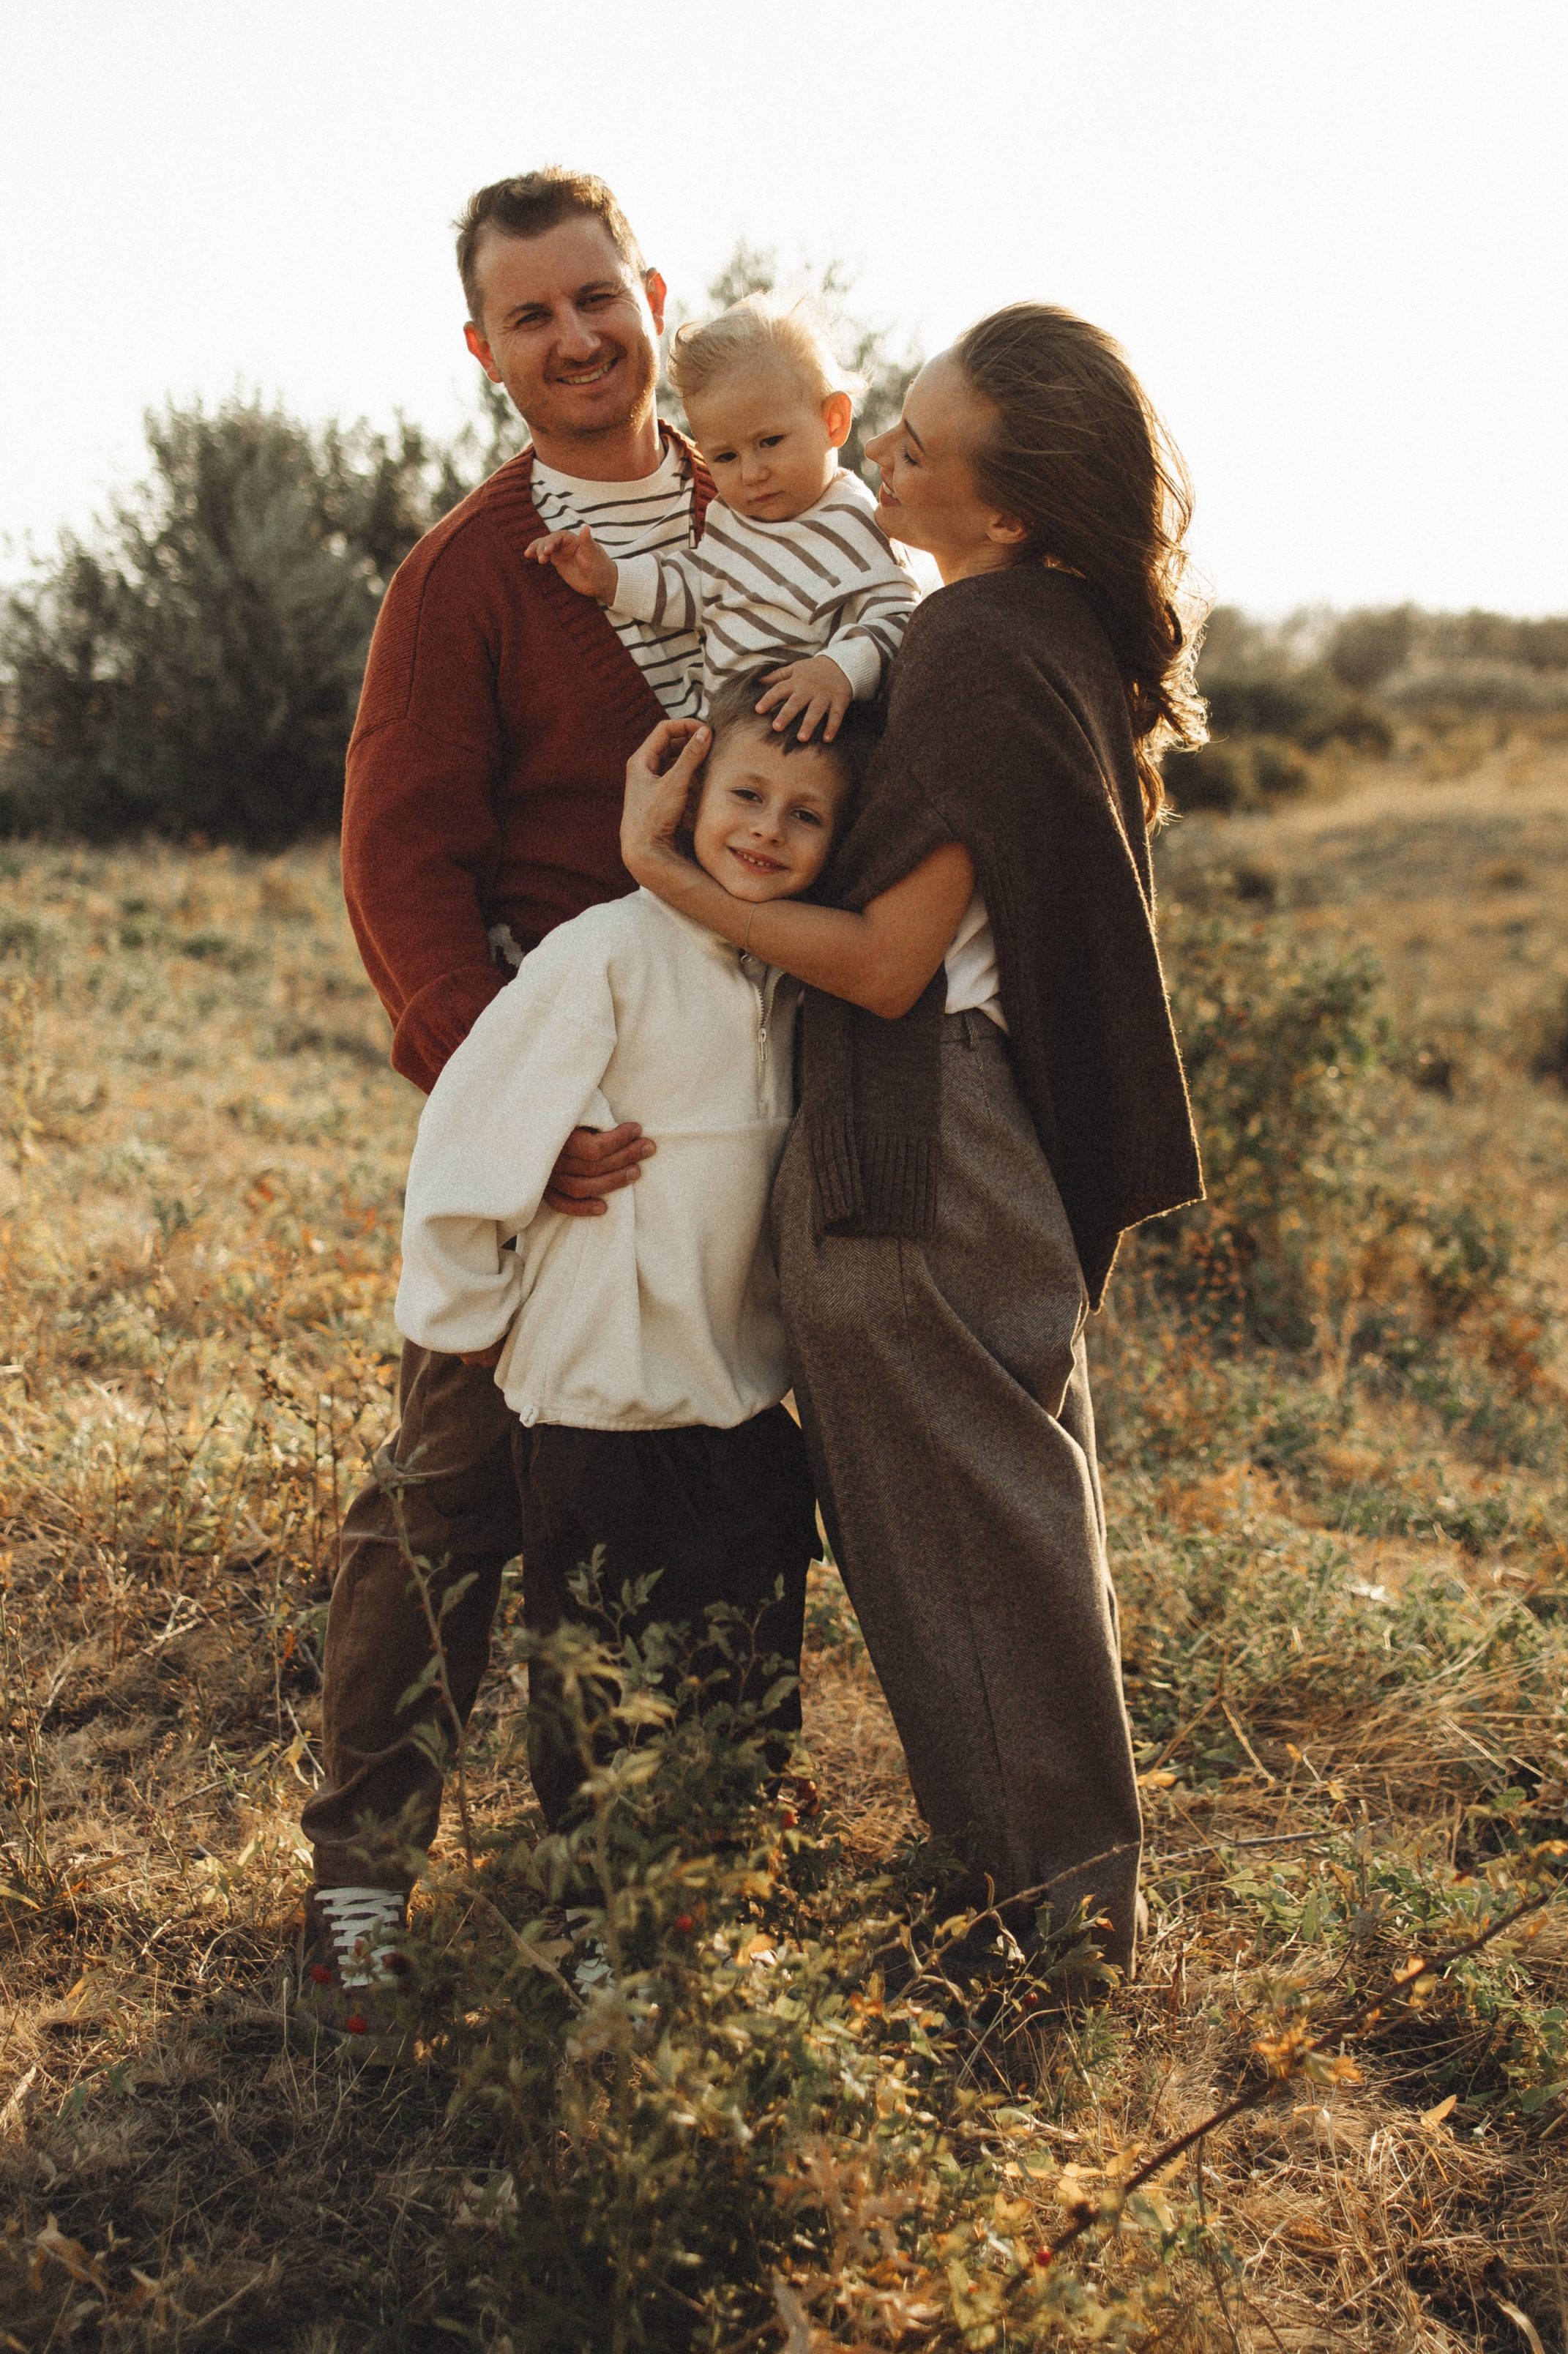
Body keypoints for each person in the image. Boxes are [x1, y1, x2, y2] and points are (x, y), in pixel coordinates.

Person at [619, 302, 1204, 1979]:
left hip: (911, 1137)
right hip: (983, 1133)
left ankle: (1047, 1940)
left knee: (955, 1539)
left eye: (915, 445)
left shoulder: (966, 645)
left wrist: (666, 869)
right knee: (1007, 1527)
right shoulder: (1049, 639)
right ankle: (1046, 1912)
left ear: (1004, 510)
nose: (880, 453)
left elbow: (880, 963)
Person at [297, 166, 689, 2046]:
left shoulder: (764, 517)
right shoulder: (462, 577)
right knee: (454, 1489)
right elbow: (400, 866)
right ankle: (360, 1889)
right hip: (540, 1097)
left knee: (657, 1499)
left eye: (595, 297)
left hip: (733, 1100)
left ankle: (617, 1889)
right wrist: (509, 1113)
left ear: (654, 297)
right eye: (530, 316)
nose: (576, 336)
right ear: (483, 353)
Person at [394, 682, 867, 1959]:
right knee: (599, 1670)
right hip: (601, 1391)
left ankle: (725, 1893)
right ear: (686, 797)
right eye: (746, 798)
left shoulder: (794, 971)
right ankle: (603, 1914)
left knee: (749, 1655)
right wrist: (476, 1317)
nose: (768, 832)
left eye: (808, 815)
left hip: (737, 1396)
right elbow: (471, 1133)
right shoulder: (606, 951)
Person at [526, 291, 915, 742]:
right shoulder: (729, 520)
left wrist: (839, 669)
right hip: (729, 740)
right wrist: (609, 579)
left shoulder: (855, 518)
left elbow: (899, 615)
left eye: (770, 442)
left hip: (813, 743)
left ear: (833, 421)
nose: (752, 473)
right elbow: (692, 586)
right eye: (726, 456)